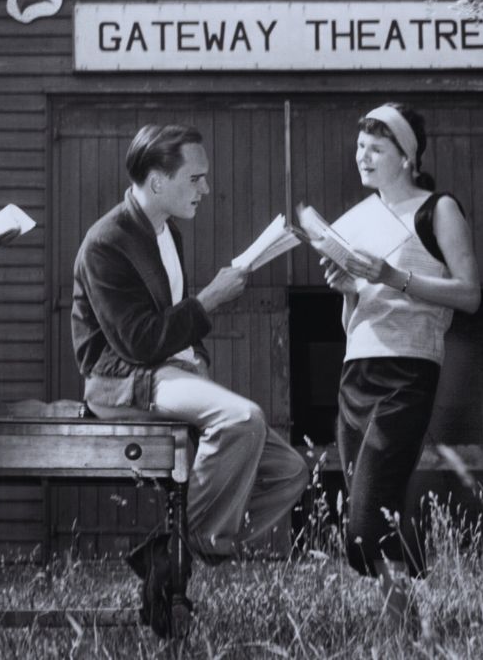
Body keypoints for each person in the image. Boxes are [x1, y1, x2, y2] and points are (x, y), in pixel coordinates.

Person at [72, 123, 309, 637]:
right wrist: (211, 301)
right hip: (124, 380)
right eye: (195, 178)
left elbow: (172, 321)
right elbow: (137, 342)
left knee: (291, 471)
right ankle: (179, 550)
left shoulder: (166, 232)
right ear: (157, 182)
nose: (205, 189)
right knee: (244, 419)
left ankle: (171, 549)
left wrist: (195, 356)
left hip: (169, 372)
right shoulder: (105, 242)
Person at [317, 103, 481, 628]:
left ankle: (411, 628)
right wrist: (348, 293)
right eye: (360, 146)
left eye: (377, 148)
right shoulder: (355, 219)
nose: (362, 156)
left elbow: (471, 295)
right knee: (369, 522)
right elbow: (353, 325)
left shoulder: (438, 209)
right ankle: (409, 633)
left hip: (408, 372)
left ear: (407, 156)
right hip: (355, 373)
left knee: (364, 517)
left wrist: (393, 275)